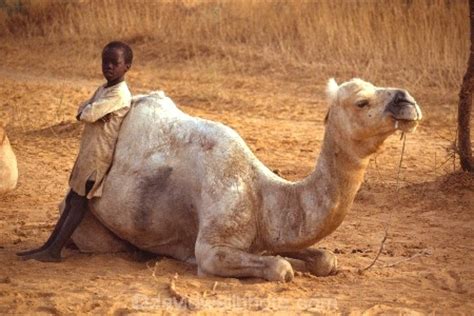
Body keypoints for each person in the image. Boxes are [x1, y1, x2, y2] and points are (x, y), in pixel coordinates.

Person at [17, 41, 133, 262]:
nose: (108, 67)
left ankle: (54, 250)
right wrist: (89, 111)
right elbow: (83, 108)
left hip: (99, 156)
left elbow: (87, 114)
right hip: (88, 153)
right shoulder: (104, 89)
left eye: (114, 63)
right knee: (72, 200)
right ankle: (48, 246)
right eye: (105, 62)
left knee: (79, 203)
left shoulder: (119, 94)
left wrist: (89, 112)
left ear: (126, 66)